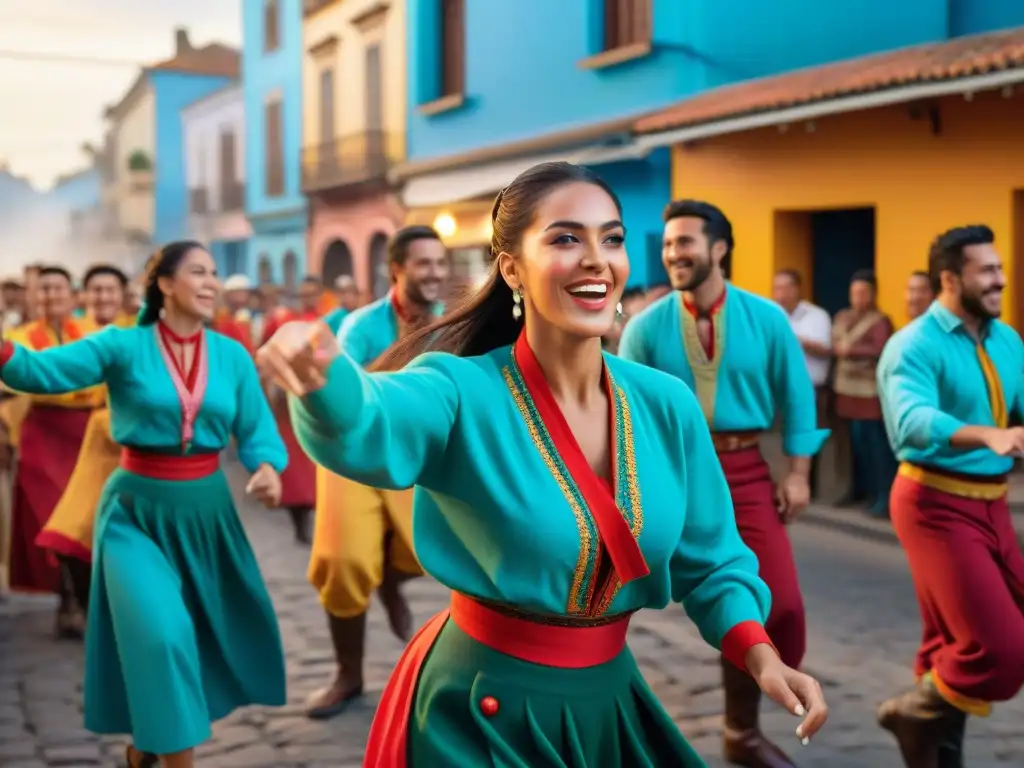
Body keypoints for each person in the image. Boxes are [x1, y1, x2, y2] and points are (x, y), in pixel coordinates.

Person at [259, 162, 828, 766]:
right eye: (565, 239)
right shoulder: (459, 388)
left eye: (611, 239)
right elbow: (372, 420)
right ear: (511, 269)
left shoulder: (666, 404)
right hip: (479, 714)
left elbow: (712, 561)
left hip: (608, 706)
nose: (596, 259)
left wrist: (759, 652)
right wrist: (323, 379)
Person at [0, 241, 288, 768]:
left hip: (206, 516)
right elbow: (39, 372)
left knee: (191, 639)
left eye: (214, 274)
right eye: (197, 272)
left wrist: (267, 468)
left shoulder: (230, 355)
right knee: (162, 634)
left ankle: (145, 747)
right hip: (134, 513)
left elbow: (255, 429)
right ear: (165, 284)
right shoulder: (121, 345)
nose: (211, 283)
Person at [619, 200, 828, 768]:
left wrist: (800, 471)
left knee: (779, 606)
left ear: (719, 248)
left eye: (685, 242)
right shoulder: (643, 328)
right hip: (673, 473)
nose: (673, 254)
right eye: (667, 245)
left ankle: (741, 730)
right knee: (608, 600)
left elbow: (797, 397)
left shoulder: (766, 319)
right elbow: (624, 412)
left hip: (745, 471)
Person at [876, 225, 1024, 768]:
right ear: (950, 277)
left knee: (952, 642)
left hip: (991, 503)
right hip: (933, 504)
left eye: (1000, 269)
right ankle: (909, 713)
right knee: (1002, 650)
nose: (1000, 280)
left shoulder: (1007, 340)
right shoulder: (912, 345)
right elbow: (912, 422)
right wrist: (990, 434)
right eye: (987, 271)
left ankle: (932, 752)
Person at [302, 225, 449, 720]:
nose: (435, 273)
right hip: (355, 457)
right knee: (343, 563)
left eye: (440, 263)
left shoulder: (456, 323)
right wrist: (409, 352)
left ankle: (389, 580)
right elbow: (346, 395)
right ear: (397, 271)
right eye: (423, 264)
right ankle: (348, 673)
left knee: (443, 548)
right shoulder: (359, 326)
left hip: (419, 455)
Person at [36, 264, 134, 638]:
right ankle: (81, 606)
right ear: (84, 296)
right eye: (96, 290)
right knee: (72, 530)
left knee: (123, 534)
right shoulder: (79, 335)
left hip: (132, 445)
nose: (103, 297)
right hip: (93, 440)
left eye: (110, 290)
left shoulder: (139, 332)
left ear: (123, 294)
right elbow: (49, 374)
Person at [5, 266, 98, 620]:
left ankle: (77, 598)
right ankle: (67, 598)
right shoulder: (19, 336)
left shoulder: (91, 334)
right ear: (34, 296)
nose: (51, 297)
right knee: (51, 515)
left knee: (83, 519)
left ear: (72, 295)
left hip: (84, 432)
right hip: (42, 431)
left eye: (58, 289)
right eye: (43, 290)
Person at [259, 276, 324, 544]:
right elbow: (266, 356)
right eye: (304, 294)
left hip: (322, 400)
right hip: (289, 401)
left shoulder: (327, 322)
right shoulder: (286, 323)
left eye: (312, 293)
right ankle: (301, 523)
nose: (307, 298)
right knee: (296, 468)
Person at [832, 270, 896, 517]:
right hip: (845, 389)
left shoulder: (880, 321)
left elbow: (878, 348)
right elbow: (835, 342)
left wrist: (851, 351)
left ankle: (883, 496)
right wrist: (852, 350)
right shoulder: (843, 317)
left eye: (863, 293)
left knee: (874, 445)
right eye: (854, 293)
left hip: (869, 393)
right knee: (853, 447)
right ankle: (858, 491)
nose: (858, 298)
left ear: (873, 294)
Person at [772, 269, 832, 500]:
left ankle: (808, 489)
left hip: (810, 389)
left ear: (798, 289)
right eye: (777, 288)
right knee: (778, 439)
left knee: (807, 439)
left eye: (786, 287)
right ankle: (782, 486)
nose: (781, 293)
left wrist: (794, 339)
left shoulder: (816, 316)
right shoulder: (772, 314)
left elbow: (826, 349)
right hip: (778, 390)